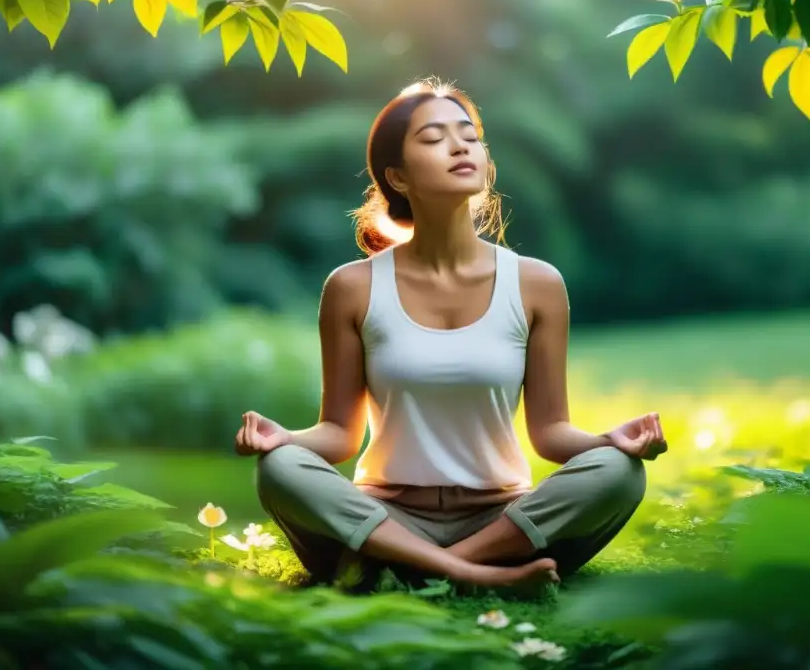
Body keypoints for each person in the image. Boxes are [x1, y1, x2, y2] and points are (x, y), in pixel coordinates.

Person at [234, 78, 667, 590]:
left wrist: (607, 442)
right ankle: (467, 575)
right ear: (397, 176)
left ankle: (421, 570)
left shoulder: (537, 284)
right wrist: (285, 440)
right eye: (433, 138)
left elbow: (550, 432)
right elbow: (340, 433)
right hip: (386, 516)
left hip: (501, 520)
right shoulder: (352, 288)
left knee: (618, 473)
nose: (460, 146)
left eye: (469, 135)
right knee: (279, 469)